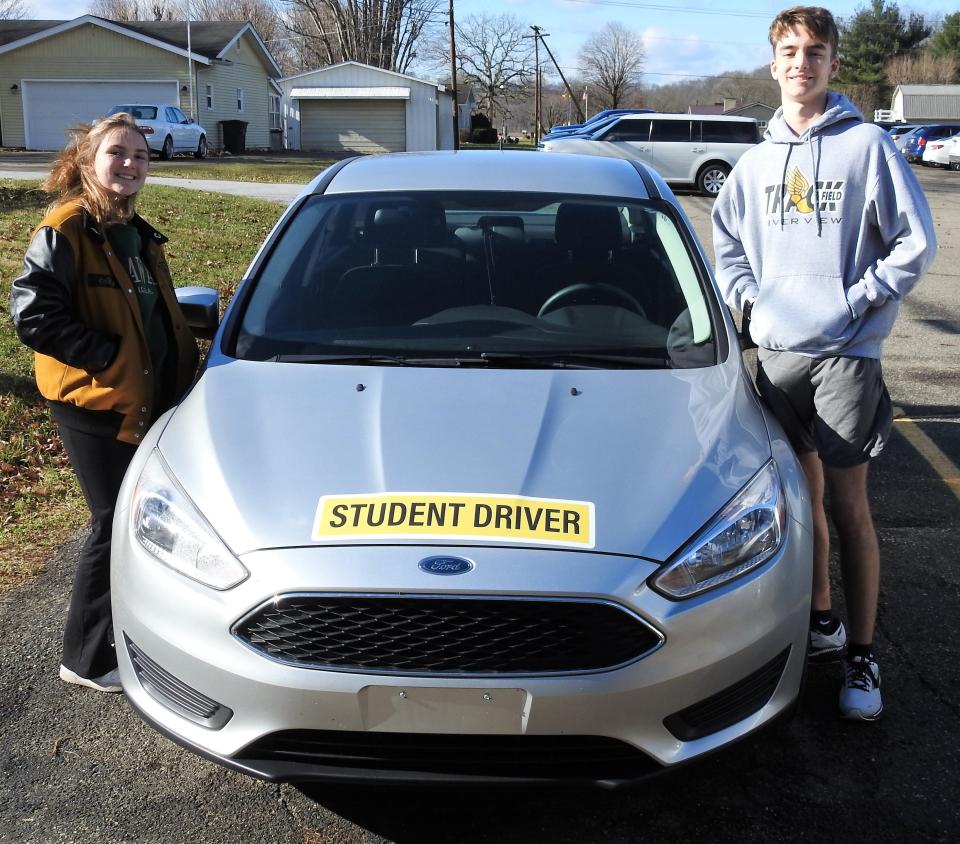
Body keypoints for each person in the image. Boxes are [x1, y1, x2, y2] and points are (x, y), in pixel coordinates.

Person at [711, 6, 936, 721]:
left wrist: (855, 300)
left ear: (834, 63)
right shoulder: (752, 164)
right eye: (789, 51)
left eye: (815, 51)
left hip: (844, 358)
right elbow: (728, 250)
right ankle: (821, 619)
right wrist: (752, 311)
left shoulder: (867, 145)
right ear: (772, 64)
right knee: (798, 506)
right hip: (775, 358)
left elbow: (914, 244)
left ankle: (863, 655)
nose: (801, 62)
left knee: (849, 508)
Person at [9, 113, 199, 692]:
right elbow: (33, 314)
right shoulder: (67, 227)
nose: (130, 164)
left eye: (139, 155)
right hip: (95, 402)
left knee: (132, 521)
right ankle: (87, 658)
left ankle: (122, 635)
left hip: (147, 398)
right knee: (110, 522)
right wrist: (107, 357)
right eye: (116, 153)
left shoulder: (139, 235)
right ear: (88, 161)